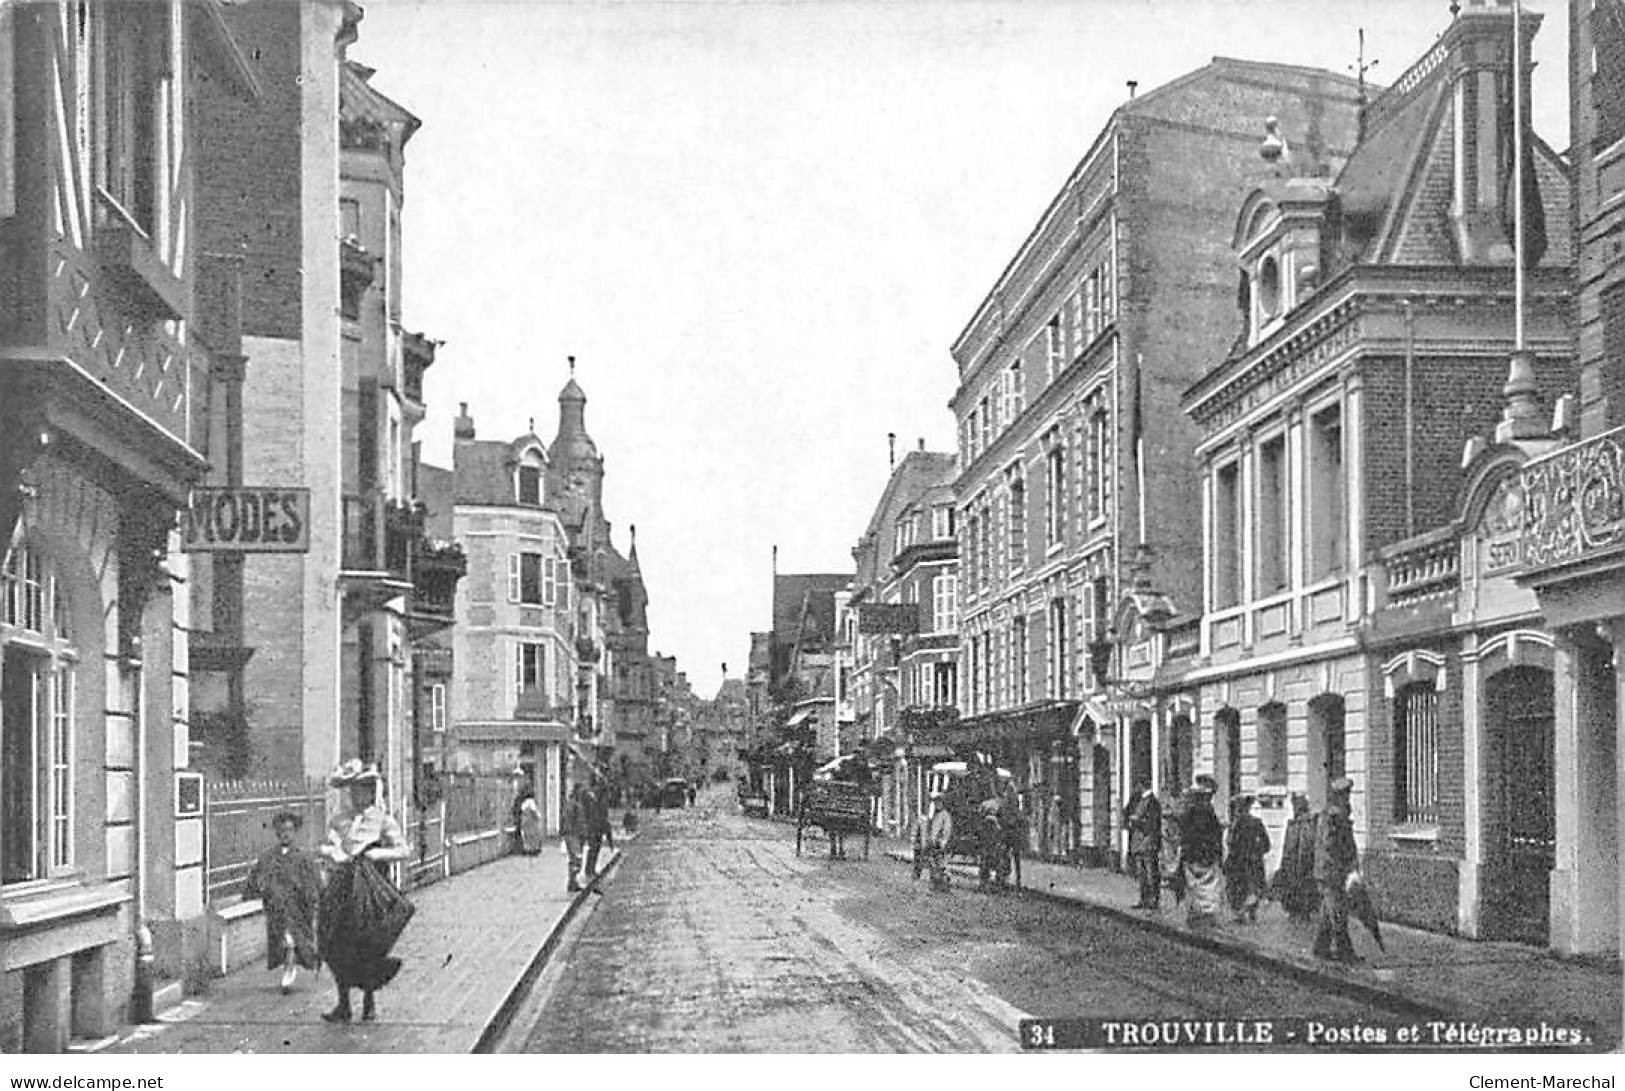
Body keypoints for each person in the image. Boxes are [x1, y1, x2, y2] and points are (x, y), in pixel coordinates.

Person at [318, 760, 414, 1024]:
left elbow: (404, 850)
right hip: (341, 887)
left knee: (367, 944)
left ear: (371, 792)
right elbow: (326, 846)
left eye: (362, 790)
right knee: (335, 942)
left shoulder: (382, 820)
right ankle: (344, 1004)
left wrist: (377, 853)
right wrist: (333, 851)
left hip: (370, 888)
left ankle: (369, 1003)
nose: (356, 795)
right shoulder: (339, 820)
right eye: (352, 790)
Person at [243, 811, 322, 994]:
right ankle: (288, 967)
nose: (286, 834)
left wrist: (314, 898)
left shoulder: (303, 856)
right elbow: (256, 877)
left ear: (294, 832)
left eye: (289, 830)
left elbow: (314, 881)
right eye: (282, 830)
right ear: (277, 833)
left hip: (298, 907)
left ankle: (289, 970)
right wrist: (257, 891)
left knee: (292, 940)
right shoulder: (269, 856)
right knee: (283, 941)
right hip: (277, 907)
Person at [1313, 776, 1361, 963]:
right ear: (1338, 796)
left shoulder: (1332, 815)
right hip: (1331, 872)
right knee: (1338, 911)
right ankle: (1345, 952)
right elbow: (1332, 845)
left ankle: (1321, 947)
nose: (1347, 798)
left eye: (1347, 795)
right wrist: (1347, 866)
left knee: (1329, 910)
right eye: (1345, 795)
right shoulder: (1334, 817)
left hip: (1327, 871)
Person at [1178, 776, 1225, 927]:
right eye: (1208, 796)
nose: (1209, 799)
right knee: (1207, 886)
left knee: (1196, 886)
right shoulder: (1204, 812)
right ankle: (1204, 915)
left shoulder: (1189, 812)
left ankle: (1197, 914)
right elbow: (1212, 834)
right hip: (1204, 855)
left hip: (1193, 855)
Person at [1271, 793, 1320, 922]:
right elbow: (1287, 846)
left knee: (1304, 889)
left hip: (1304, 863)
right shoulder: (1293, 825)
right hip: (1293, 864)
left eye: (1297, 806)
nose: (1295, 809)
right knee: (1294, 889)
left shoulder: (1309, 823)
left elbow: (1310, 844)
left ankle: (1303, 912)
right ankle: (1296, 912)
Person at [1224, 793, 1271, 924]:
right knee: (1253, 887)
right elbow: (1267, 845)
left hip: (1239, 862)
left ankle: (1242, 914)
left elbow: (1231, 843)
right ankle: (1250, 913)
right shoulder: (1256, 823)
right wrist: (1257, 852)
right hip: (1254, 862)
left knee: (1239, 888)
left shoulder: (1237, 824)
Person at [1124, 778, 1163, 910]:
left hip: (1148, 841)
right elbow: (1126, 812)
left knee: (1151, 871)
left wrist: (1137, 822)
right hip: (1138, 842)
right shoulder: (1137, 800)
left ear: (1142, 785)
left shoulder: (1153, 803)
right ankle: (1143, 899)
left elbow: (1153, 824)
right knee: (1141, 873)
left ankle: (1153, 899)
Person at [584, 778, 616, 881]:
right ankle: (589, 870)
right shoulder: (597, 799)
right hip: (594, 827)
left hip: (597, 827)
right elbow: (601, 816)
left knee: (596, 848)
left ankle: (591, 869)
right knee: (593, 848)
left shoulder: (600, 799)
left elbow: (604, 816)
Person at [924, 790, 954, 892]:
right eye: (936, 802)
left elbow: (947, 830)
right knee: (934, 865)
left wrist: (942, 842)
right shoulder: (936, 815)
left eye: (939, 802)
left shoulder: (945, 815)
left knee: (942, 866)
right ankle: (935, 886)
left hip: (941, 844)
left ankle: (944, 887)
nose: (937, 804)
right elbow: (932, 830)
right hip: (934, 843)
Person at [561, 780, 589, 893]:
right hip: (573, 835)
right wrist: (568, 833)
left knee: (577, 859)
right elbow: (568, 820)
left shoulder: (579, 803)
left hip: (579, 835)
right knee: (576, 859)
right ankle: (572, 882)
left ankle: (573, 882)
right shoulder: (571, 804)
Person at [514, 787, 543, 855]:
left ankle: (527, 849)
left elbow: (522, 811)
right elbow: (535, 811)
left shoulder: (524, 803)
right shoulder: (531, 802)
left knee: (526, 836)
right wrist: (539, 816)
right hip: (531, 821)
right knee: (533, 835)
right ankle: (533, 849)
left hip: (524, 821)